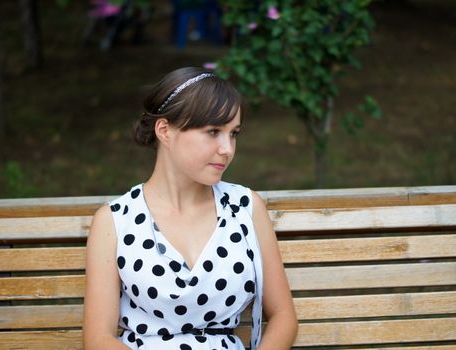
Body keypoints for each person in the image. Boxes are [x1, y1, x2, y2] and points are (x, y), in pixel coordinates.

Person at [83, 67, 298, 349]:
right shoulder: (115, 221)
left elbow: (283, 316)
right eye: (213, 132)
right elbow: (98, 338)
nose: (227, 149)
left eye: (233, 134)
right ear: (165, 131)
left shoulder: (245, 209)